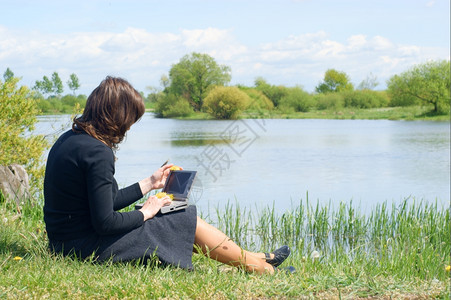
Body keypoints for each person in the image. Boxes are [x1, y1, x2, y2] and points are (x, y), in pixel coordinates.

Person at [43, 76, 294, 275]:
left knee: (172, 213)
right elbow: (105, 223)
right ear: (117, 116)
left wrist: (150, 184)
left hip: (66, 242)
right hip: (84, 247)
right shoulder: (98, 152)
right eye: (131, 119)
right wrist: (146, 212)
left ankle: (253, 257)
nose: (130, 127)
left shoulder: (71, 139)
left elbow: (103, 202)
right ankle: (261, 268)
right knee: (180, 216)